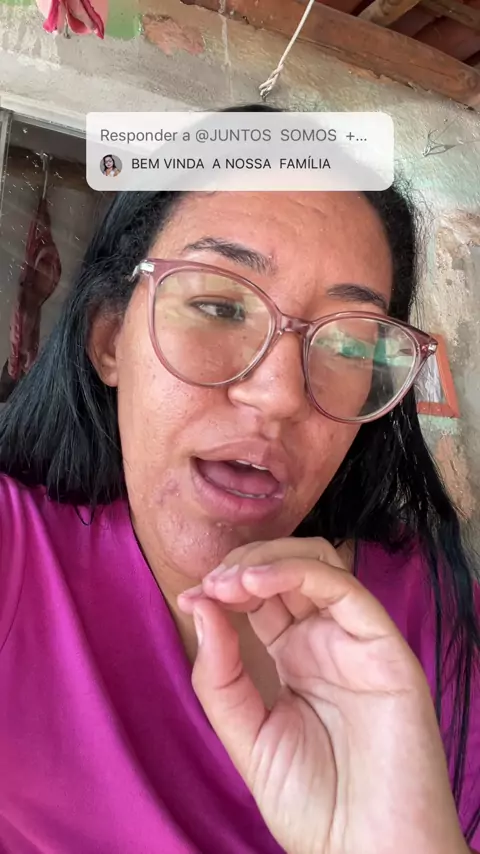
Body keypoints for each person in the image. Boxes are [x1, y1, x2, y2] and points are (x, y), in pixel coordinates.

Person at [0, 103, 478, 854]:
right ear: (109, 339)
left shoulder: (433, 616)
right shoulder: (15, 558)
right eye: (220, 305)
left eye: (349, 346)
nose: (281, 395)